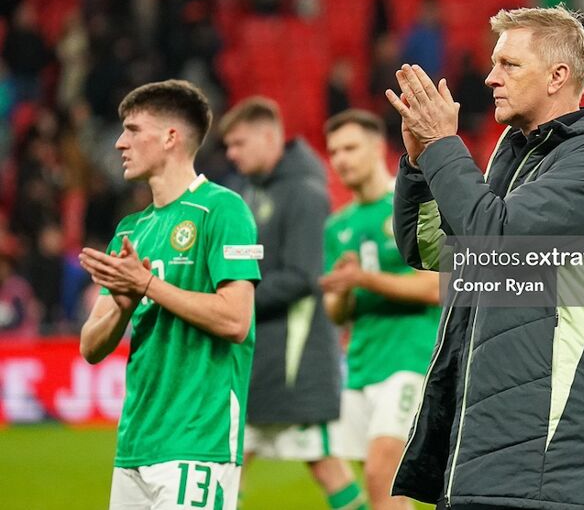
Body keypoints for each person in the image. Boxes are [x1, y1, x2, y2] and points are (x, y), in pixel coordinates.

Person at [384, 6, 584, 510]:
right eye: (494, 63)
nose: (491, 78)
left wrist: (445, 144)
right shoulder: (516, 161)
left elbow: (498, 242)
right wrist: (423, 162)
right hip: (487, 454)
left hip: (558, 468)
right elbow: (430, 251)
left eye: (510, 64)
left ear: (559, 76)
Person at [78, 80, 261, 510]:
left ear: (170, 137)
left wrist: (147, 286)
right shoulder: (131, 229)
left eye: (132, 129)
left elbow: (236, 321)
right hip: (136, 443)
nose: (120, 143)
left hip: (199, 436)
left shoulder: (225, 209)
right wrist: (123, 306)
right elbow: (90, 346)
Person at [220, 97, 366, 510]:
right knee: (228, 460)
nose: (231, 154)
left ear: (269, 137)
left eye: (239, 143)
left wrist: (234, 300)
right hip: (254, 354)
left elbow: (303, 277)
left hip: (293, 357)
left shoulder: (304, 192)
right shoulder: (245, 191)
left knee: (321, 462)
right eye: (228, 146)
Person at [320, 109, 440, 510]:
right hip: (360, 364)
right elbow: (337, 314)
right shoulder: (338, 226)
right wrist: (340, 291)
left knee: (381, 473)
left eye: (350, 147)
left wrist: (365, 280)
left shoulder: (411, 202)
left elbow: (438, 285)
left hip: (409, 358)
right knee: (383, 487)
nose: (341, 159)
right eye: (334, 151)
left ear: (376, 148)